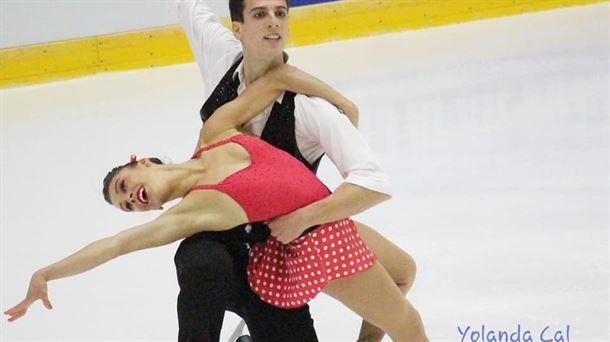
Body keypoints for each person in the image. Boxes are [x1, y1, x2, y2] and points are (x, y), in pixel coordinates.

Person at [4, 63, 428, 342]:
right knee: (407, 324)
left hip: (329, 217)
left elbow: (278, 78)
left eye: (124, 186)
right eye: (128, 206)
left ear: (144, 161)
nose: (131, 200)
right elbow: (116, 245)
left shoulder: (216, 130)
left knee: (403, 271)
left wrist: (343, 104)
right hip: (314, 241)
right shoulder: (194, 211)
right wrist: (47, 272)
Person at [172, 0, 420, 340]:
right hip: (227, 233)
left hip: (288, 238)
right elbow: (189, 6)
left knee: (403, 271)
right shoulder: (221, 57)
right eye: (260, 14)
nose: (273, 22)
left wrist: (302, 219)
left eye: (280, 13)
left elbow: (372, 180)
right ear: (238, 28)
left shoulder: (309, 109)